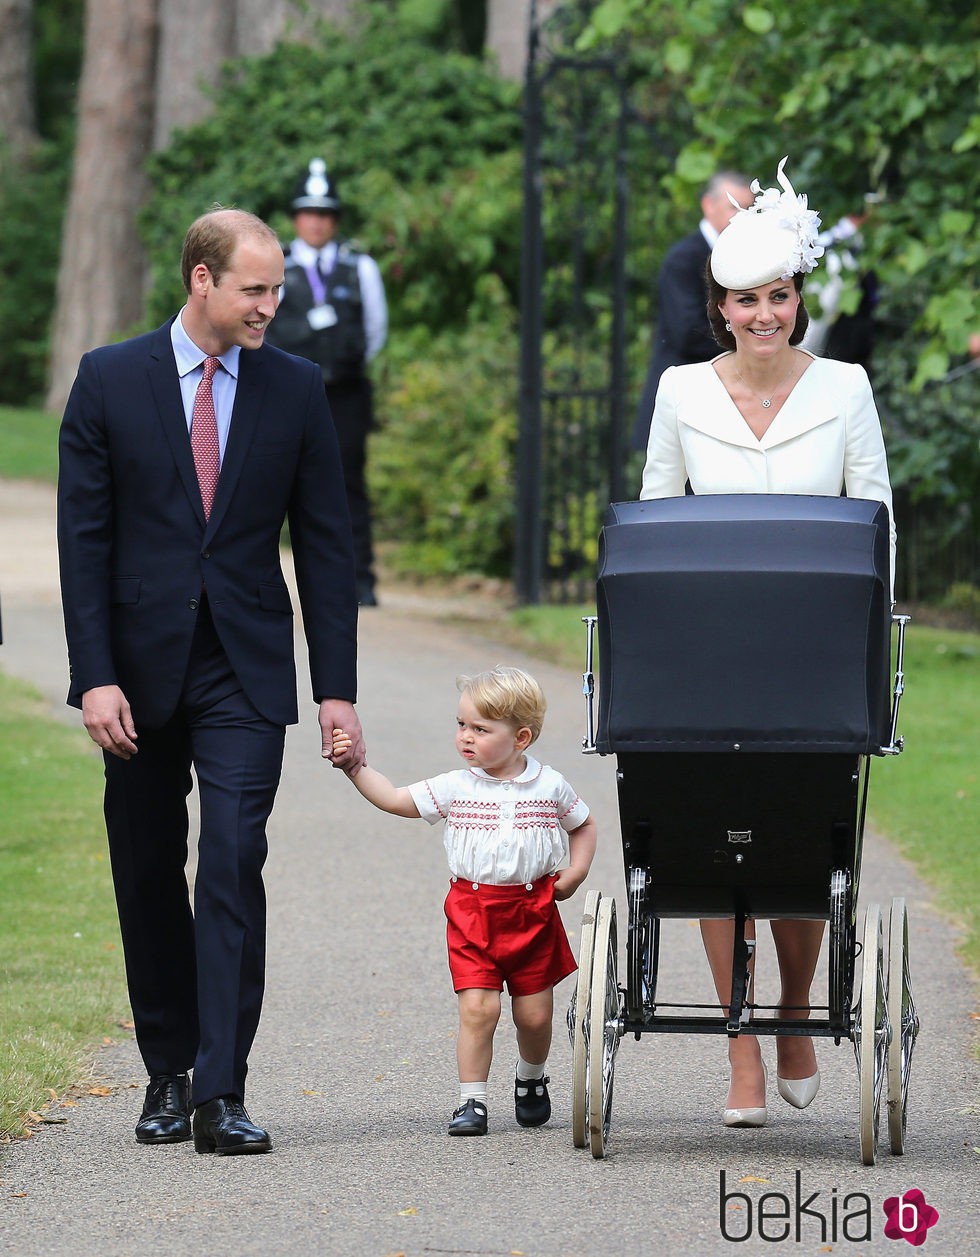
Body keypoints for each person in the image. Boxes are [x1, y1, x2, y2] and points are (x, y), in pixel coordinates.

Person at [57, 208, 366, 1155]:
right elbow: (85, 543)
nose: (273, 305)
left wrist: (336, 687)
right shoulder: (111, 379)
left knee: (233, 859)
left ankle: (220, 1090)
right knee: (149, 870)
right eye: (256, 290)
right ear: (202, 281)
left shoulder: (296, 388)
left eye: (274, 289)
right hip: (137, 678)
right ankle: (167, 1070)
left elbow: (324, 544)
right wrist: (94, 679)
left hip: (245, 665)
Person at [639, 157, 895, 1128]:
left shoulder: (843, 386)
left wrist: (868, 638)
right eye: (743, 300)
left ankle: (792, 1010)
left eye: (777, 297)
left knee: (797, 847)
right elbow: (656, 516)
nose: (762, 315)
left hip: (812, 654)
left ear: (796, 298)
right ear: (720, 305)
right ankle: (740, 1045)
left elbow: (872, 514)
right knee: (708, 849)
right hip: (701, 657)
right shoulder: (679, 393)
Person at [331, 665, 597, 1137]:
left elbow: (583, 825)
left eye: (480, 729)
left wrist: (574, 873)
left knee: (534, 1016)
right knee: (480, 1010)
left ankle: (531, 1078)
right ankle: (471, 1101)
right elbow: (394, 799)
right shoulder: (456, 786)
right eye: (462, 725)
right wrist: (356, 768)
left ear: (521, 738)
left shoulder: (549, 786)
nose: (466, 738)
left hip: (533, 911)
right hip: (473, 913)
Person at [265, 158, 388, 607]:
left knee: (347, 485)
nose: (316, 222)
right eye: (308, 212)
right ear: (296, 218)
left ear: (334, 219)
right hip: (283, 394)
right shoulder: (276, 266)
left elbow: (375, 331)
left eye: (325, 213)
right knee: (272, 484)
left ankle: (360, 581)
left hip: (344, 395)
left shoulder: (360, 268)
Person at [631, 169, 754, 451]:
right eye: (734, 207)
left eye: (748, 209)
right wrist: (749, 338)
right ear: (708, 205)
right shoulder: (683, 259)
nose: (742, 217)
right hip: (685, 403)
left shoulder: (746, 256)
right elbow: (687, 333)